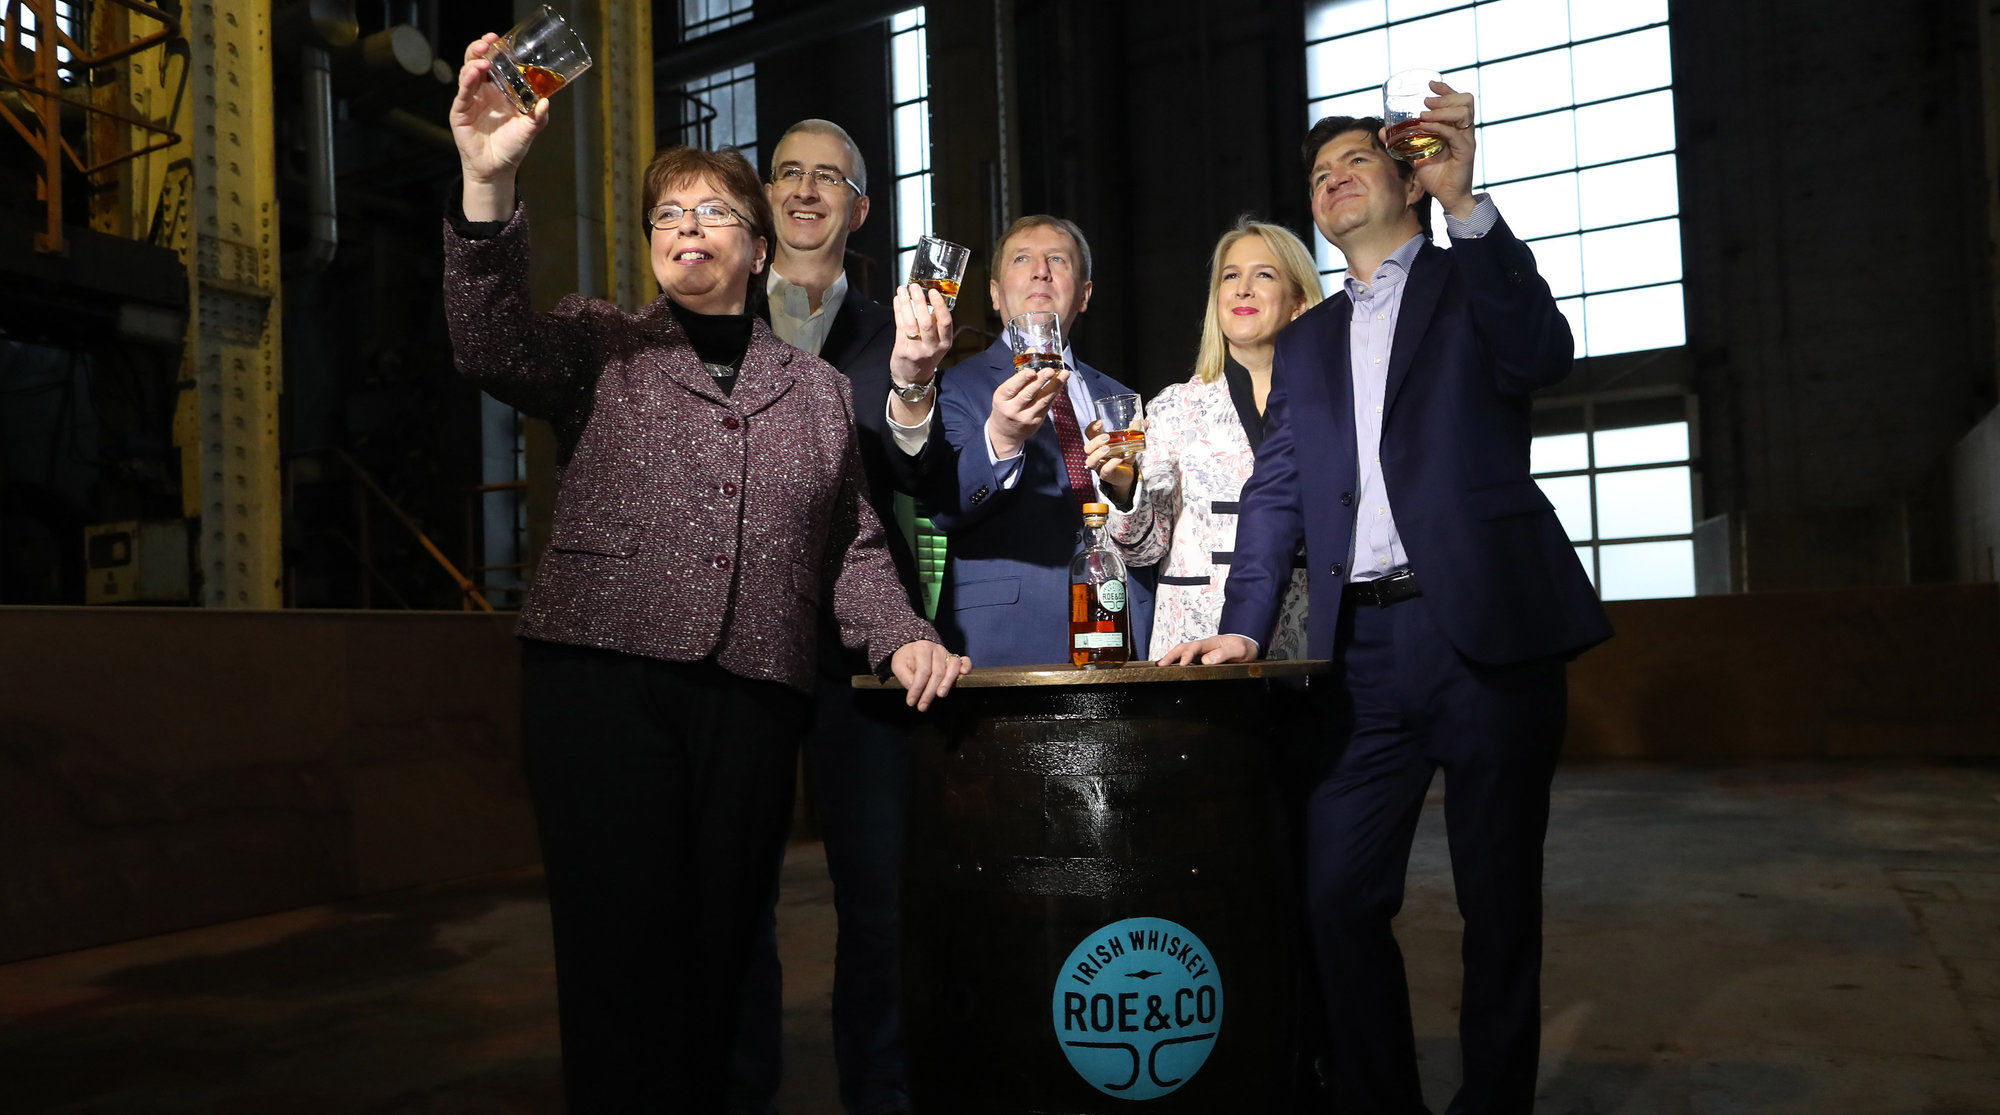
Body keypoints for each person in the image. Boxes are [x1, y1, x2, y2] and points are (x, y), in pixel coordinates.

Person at [443, 35, 969, 1112]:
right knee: (616, 950)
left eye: (713, 211)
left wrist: (902, 631)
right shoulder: (600, 343)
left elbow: (853, 548)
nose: (686, 226)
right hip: (599, 683)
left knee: (724, 944)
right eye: (667, 214)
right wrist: (486, 178)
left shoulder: (817, 392)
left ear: (759, 250)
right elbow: (487, 343)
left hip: (751, 690)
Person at [1161, 91, 1613, 1115]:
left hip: (1483, 631)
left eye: (1354, 161)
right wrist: (1241, 619)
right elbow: (1276, 485)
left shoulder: (1467, 278)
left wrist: (1470, 207)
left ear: (1407, 178)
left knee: (1496, 899)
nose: (1330, 180)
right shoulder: (1310, 340)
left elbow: (1541, 356)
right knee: (1333, 893)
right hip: (1359, 646)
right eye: (1317, 174)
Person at [734, 117, 954, 1115]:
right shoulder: (710, 312)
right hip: (733, 645)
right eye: (788, 171)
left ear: (861, 208)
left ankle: (883, 1089)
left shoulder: (900, 328)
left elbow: (921, 474)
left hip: (863, 651)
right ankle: (740, 1088)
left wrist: (913, 386)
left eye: (830, 177)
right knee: (737, 898)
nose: (807, 189)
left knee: (881, 900)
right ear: (765, 197)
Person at [905, 215, 1155, 666]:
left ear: (1084, 294)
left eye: (1057, 259)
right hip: (1006, 634)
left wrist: (1124, 490)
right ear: (996, 294)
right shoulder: (955, 386)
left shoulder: (1119, 397)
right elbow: (944, 508)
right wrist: (1001, 439)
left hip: (1121, 624)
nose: (1041, 270)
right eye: (1023, 259)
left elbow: (1148, 525)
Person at [1084, 217, 1322, 660]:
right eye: (1230, 276)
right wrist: (1121, 486)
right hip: (1193, 640)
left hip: (1305, 636)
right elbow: (1141, 551)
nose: (1242, 289)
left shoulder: (1330, 404)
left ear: (1299, 303)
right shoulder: (1173, 407)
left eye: (1264, 275)